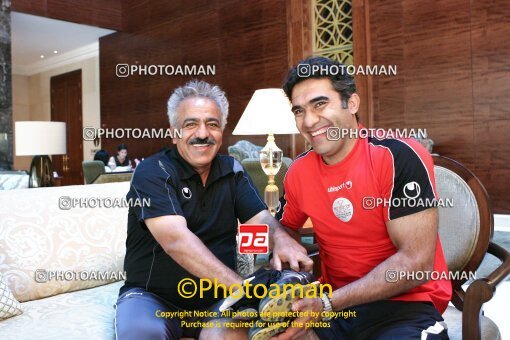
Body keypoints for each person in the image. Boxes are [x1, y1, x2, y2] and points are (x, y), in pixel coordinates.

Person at [114, 80, 313, 339]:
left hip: (216, 302)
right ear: (175, 133)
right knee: (143, 335)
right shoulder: (153, 172)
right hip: (153, 298)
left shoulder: (232, 170)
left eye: (212, 124)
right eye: (190, 124)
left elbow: (261, 219)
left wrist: (282, 240)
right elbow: (176, 241)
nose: (202, 133)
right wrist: (243, 290)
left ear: (221, 132)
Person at [271, 56, 452, 339]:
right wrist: (282, 238)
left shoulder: (397, 156)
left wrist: (328, 303)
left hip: (405, 308)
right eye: (299, 111)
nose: (308, 121)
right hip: (335, 309)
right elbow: (282, 225)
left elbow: (416, 263)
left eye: (320, 104)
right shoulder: (298, 171)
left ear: (352, 103)